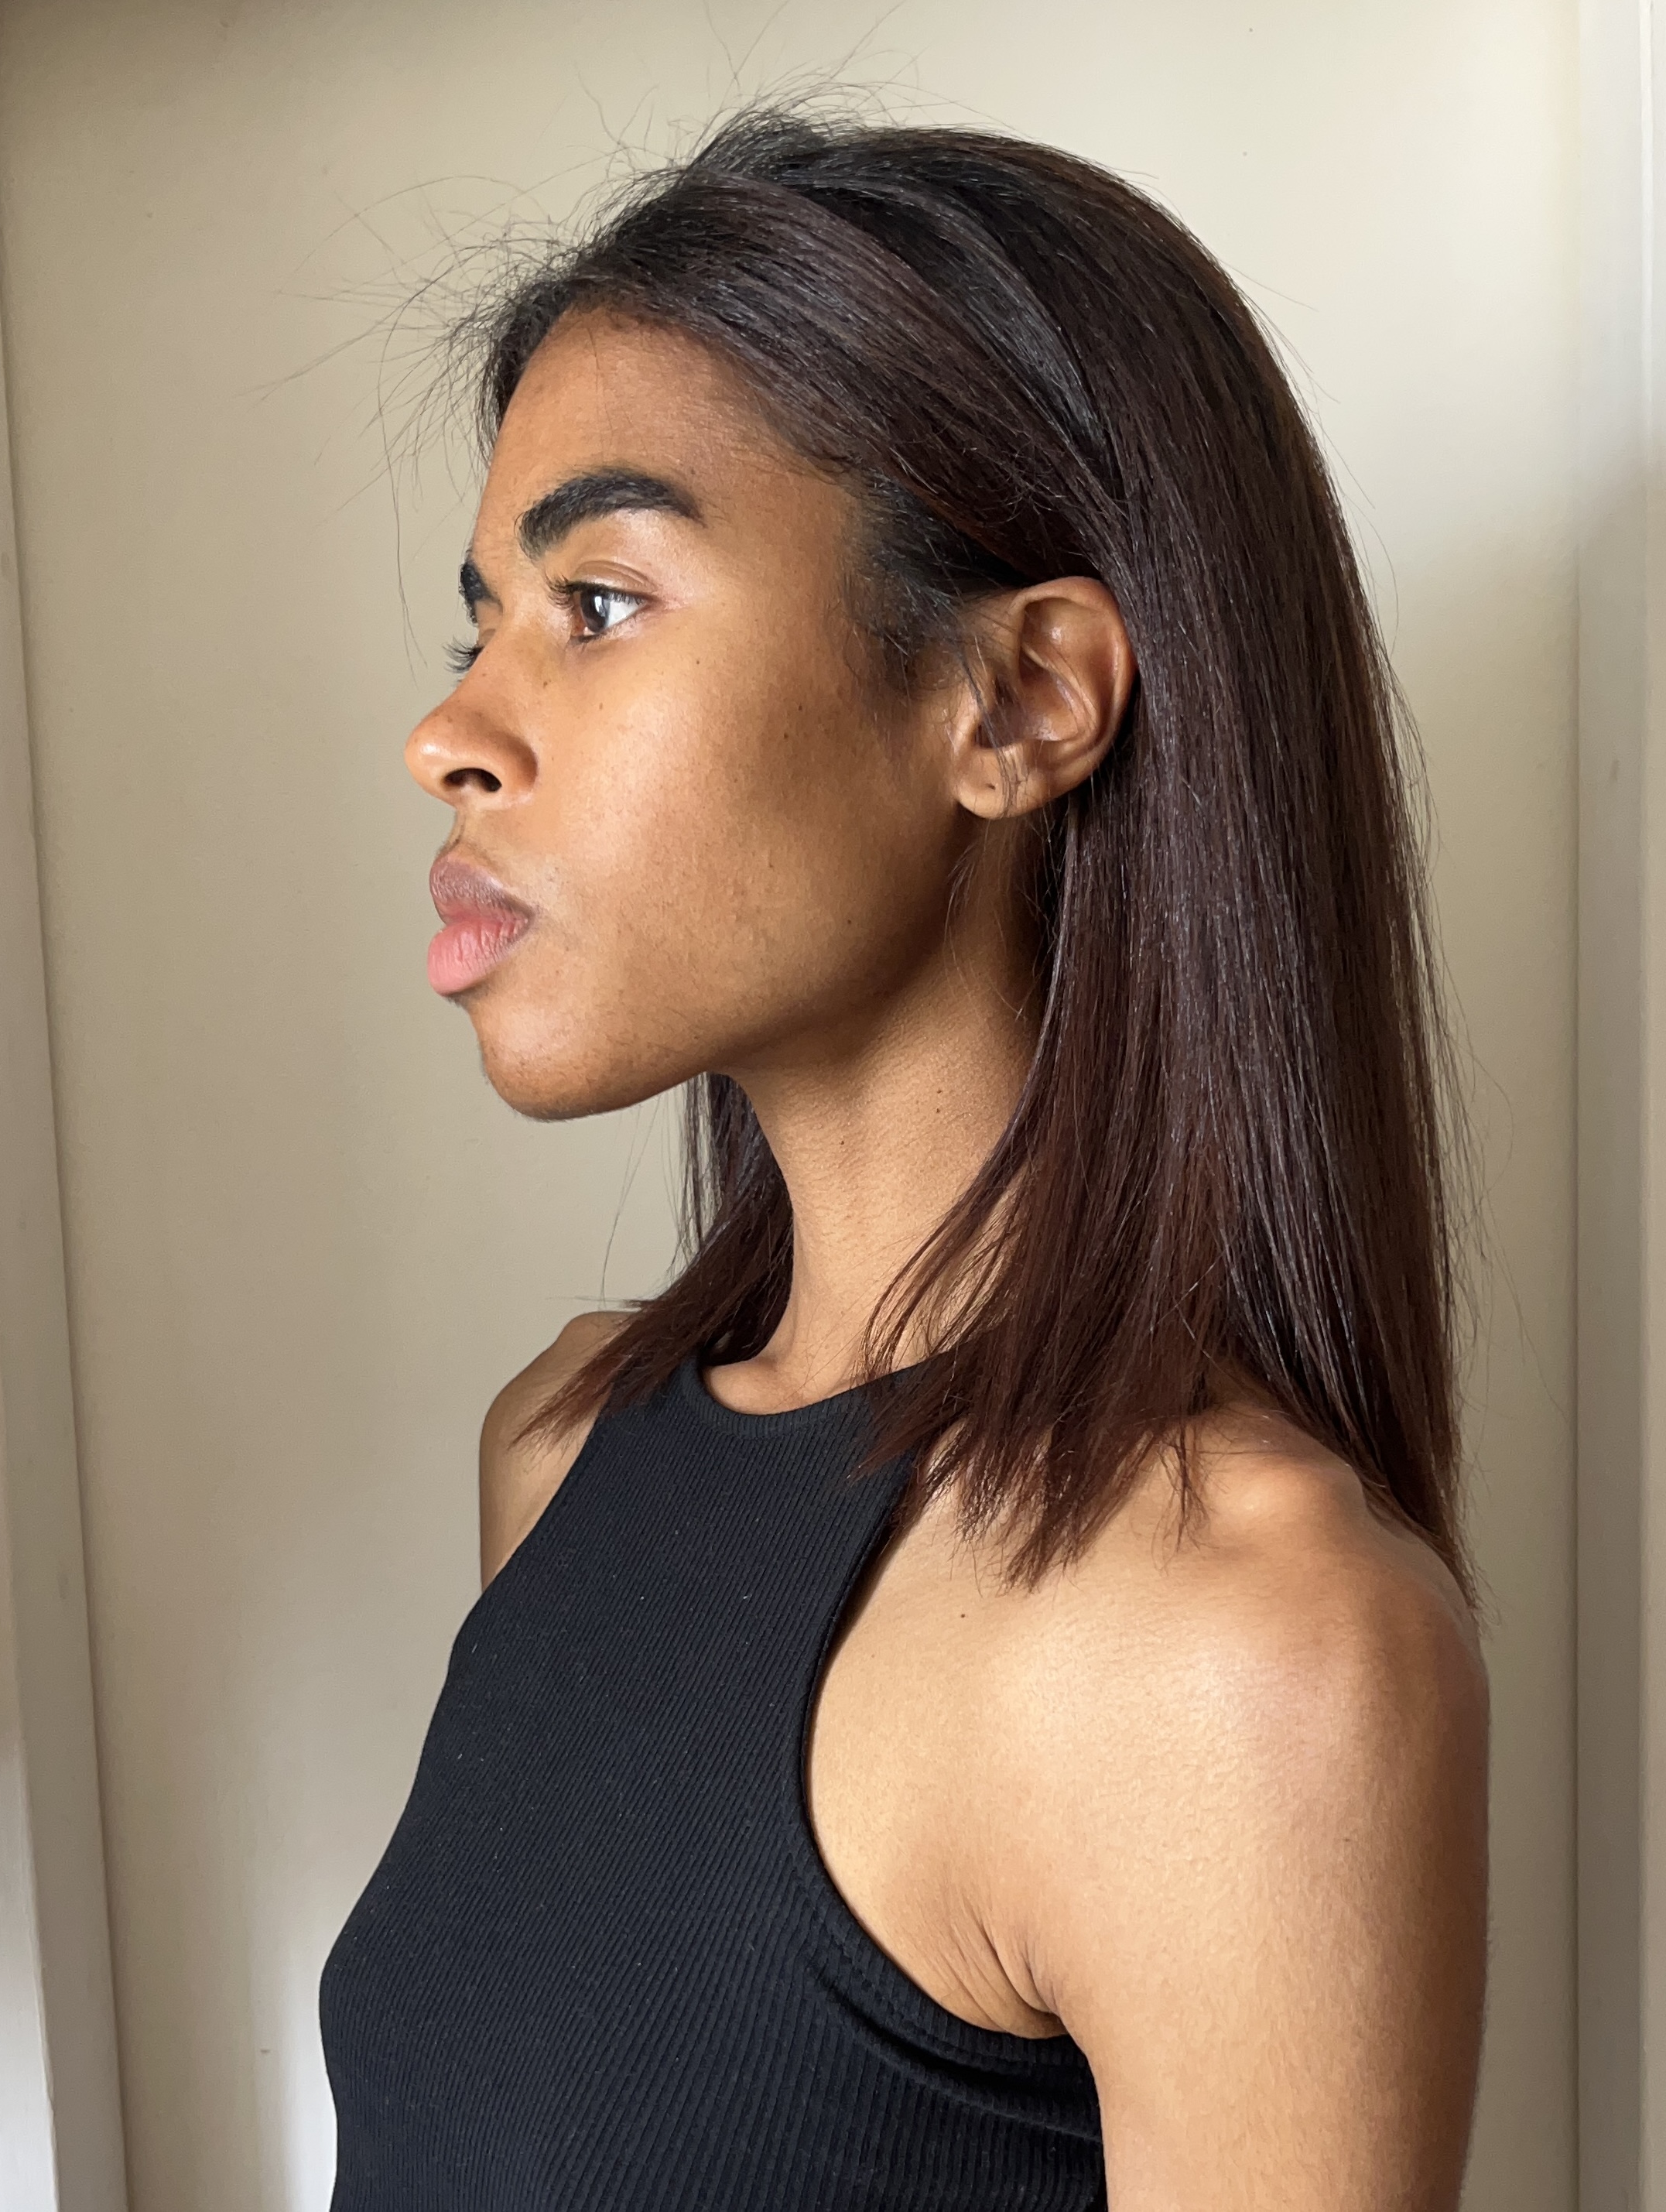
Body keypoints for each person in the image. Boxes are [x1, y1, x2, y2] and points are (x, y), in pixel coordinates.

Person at [320, 108, 1488, 2210]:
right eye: (477, 623)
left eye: (599, 601)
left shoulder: (1252, 1653)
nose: (452, 732)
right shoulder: (563, 1456)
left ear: (1020, 699)